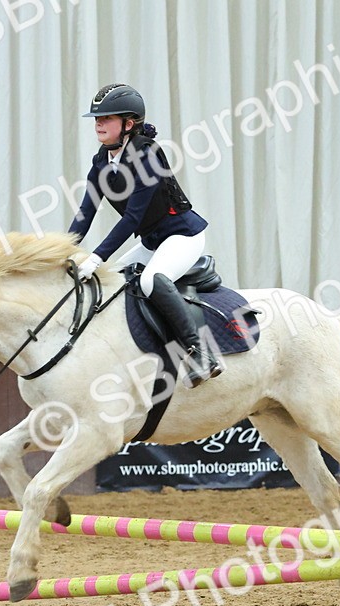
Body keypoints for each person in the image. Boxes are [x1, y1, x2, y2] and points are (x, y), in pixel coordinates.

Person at [68, 83, 222, 388]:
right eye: (96, 118)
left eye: (107, 118)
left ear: (128, 124)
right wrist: (63, 250)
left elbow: (132, 218)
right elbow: (86, 213)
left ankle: (200, 353)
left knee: (151, 280)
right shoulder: (102, 161)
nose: (98, 123)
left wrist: (97, 257)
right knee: (113, 283)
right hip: (152, 241)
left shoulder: (147, 154)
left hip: (182, 236)